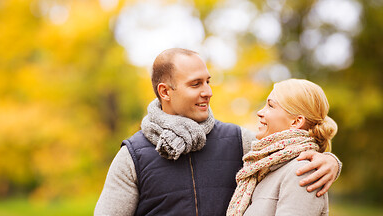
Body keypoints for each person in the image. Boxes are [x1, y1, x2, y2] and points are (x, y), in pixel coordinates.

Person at [95, 48, 341, 216]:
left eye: (207, 81)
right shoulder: (133, 157)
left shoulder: (239, 141)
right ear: (165, 92)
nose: (208, 91)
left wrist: (330, 161)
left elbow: (286, 154)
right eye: (195, 84)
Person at [227, 79, 337, 216]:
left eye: (270, 106)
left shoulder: (302, 172)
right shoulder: (264, 168)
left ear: (296, 122)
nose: (260, 112)